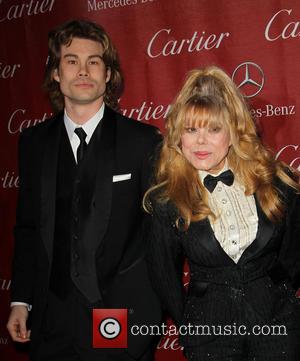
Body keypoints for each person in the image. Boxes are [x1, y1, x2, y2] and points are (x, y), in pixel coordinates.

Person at [7, 19, 162, 361]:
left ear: (108, 75)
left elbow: (160, 235)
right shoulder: (33, 143)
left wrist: (145, 317)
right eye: (71, 60)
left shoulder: (143, 142)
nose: (83, 70)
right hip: (51, 316)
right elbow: (28, 228)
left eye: (94, 61)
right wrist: (21, 300)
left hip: (116, 313)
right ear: (56, 73)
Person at [145, 66, 300, 360]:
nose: (201, 141)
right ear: (178, 137)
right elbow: (163, 274)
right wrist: (188, 325)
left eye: (213, 129)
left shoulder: (275, 182)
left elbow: (294, 248)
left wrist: (273, 286)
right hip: (208, 333)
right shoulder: (167, 200)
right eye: (191, 130)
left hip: (278, 323)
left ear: (233, 133)